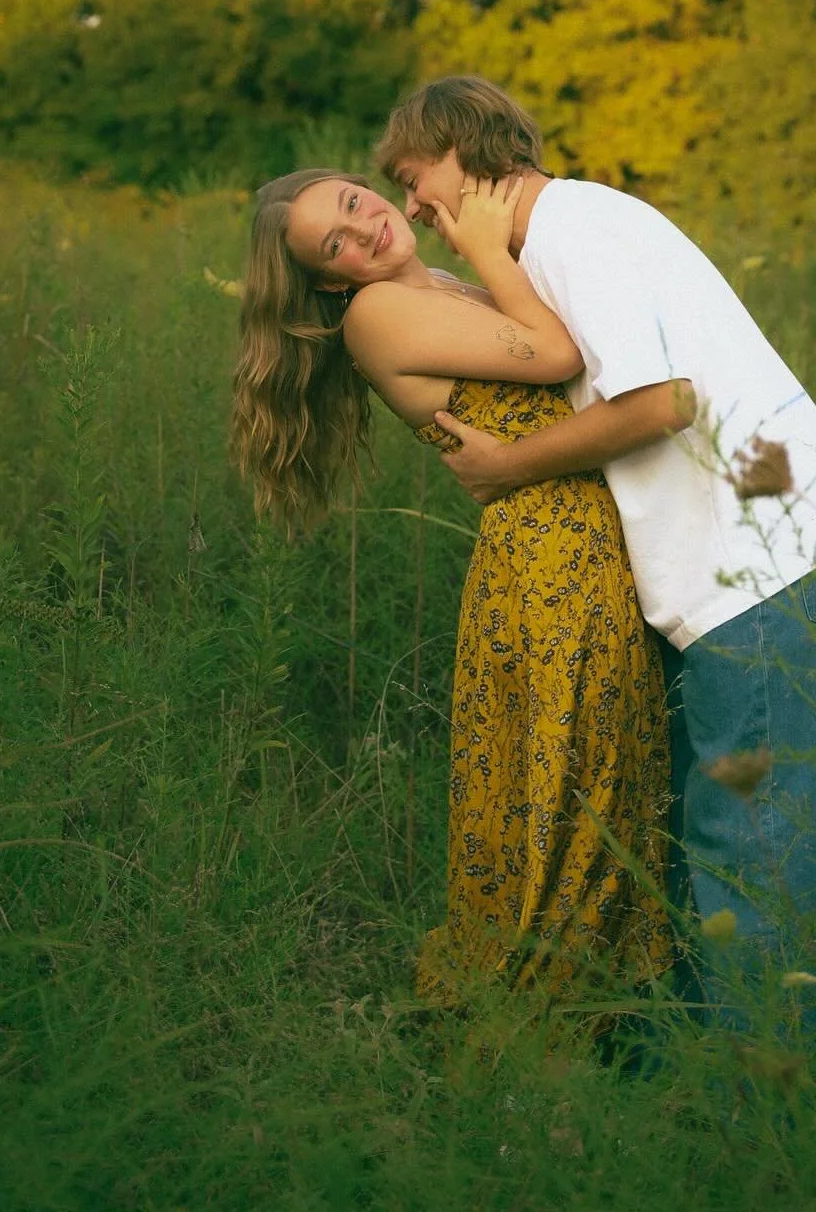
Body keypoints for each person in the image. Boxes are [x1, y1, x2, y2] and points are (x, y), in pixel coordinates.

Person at [375, 77, 816, 1033]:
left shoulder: (572, 234)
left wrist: (509, 467)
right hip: (739, 557)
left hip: (756, 557)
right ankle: (719, 1076)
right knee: (719, 835)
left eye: (413, 179)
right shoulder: (569, 229)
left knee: (761, 842)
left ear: (462, 150)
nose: (411, 207)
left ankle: (780, 1097)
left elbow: (660, 403)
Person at [230, 166, 675, 1010]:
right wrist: (486, 246)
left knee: (593, 783)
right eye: (335, 244)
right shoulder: (377, 313)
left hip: (572, 548)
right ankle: (542, 1025)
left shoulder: (432, 284)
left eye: (354, 203)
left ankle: (601, 1015)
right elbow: (558, 354)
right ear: (330, 280)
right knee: (575, 796)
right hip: (552, 561)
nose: (363, 230)